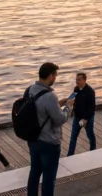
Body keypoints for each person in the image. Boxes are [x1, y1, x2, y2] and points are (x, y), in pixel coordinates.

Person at [26, 62, 73, 196]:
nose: (55, 78)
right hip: (49, 143)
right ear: (50, 76)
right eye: (55, 76)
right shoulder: (50, 96)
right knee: (48, 178)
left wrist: (58, 105)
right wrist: (68, 107)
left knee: (34, 175)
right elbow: (59, 120)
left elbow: (40, 110)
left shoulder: (30, 90)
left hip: (34, 140)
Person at [66, 73, 95, 156]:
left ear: (84, 80)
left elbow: (92, 107)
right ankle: (70, 155)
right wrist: (72, 109)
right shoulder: (76, 89)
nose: (77, 81)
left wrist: (85, 118)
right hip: (77, 116)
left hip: (88, 118)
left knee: (90, 136)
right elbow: (72, 99)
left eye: (79, 80)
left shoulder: (90, 91)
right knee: (73, 137)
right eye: (76, 79)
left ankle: (93, 152)